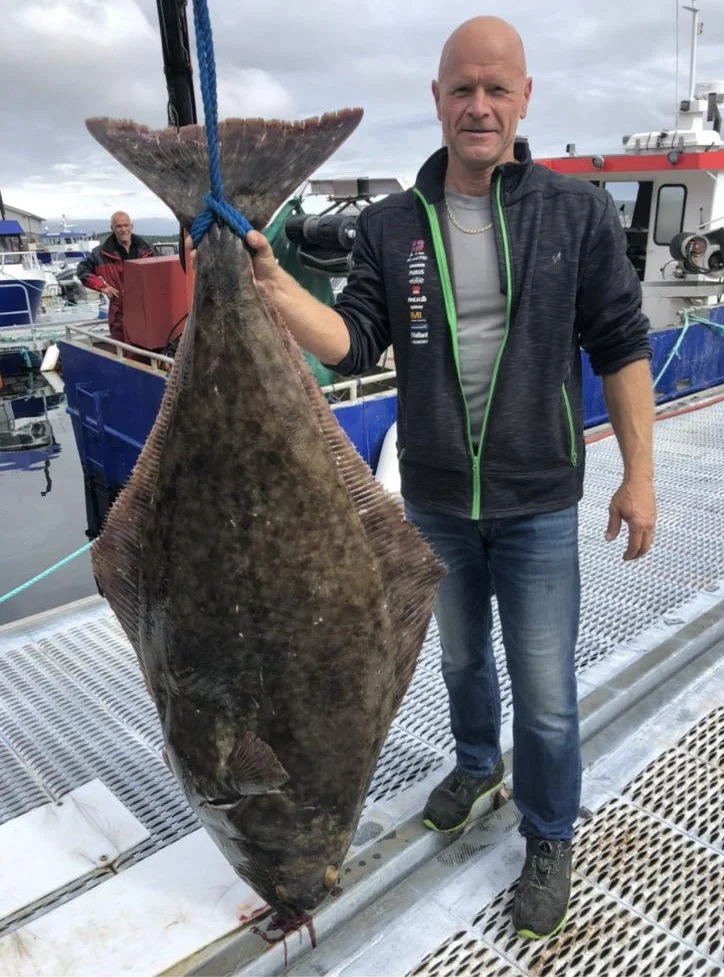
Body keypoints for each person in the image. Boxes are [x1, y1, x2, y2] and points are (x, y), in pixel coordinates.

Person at [245, 16, 656, 940]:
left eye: (496, 88)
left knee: (545, 691)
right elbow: (355, 340)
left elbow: (622, 344)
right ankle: (477, 765)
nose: (479, 106)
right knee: (462, 659)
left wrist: (639, 476)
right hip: (434, 499)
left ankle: (549, 832)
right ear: (436, 99)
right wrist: (272, 286)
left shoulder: (575, 213)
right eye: (462, 89)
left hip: (538, 499)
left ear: (524, 99)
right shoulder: (393, 224)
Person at [77, 211, 154, 342]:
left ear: (131, 226)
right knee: (124, 348)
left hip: (147, 308)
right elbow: (82, 271)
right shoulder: (100, 253)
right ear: (112, 228)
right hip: (120, 312)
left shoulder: (147, 250)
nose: (123, 229)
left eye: (126, 225)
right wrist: (102, 287)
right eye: (119, 226)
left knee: (151, 345)